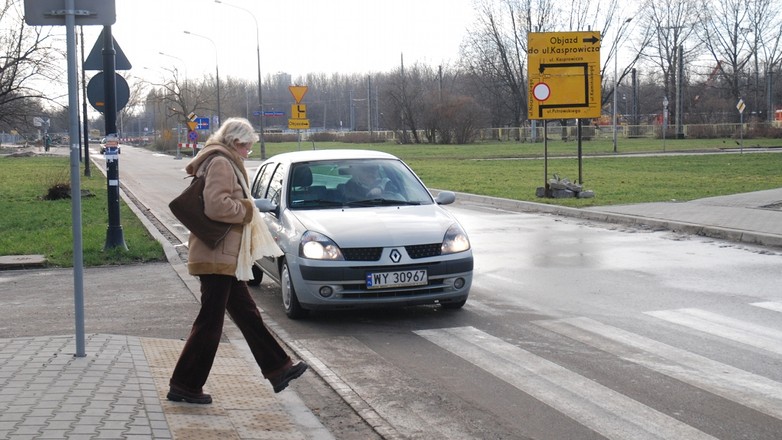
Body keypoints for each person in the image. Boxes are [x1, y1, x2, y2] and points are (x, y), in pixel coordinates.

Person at [168, 117, 307, 404]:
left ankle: (279, 369)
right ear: (236, 142)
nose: (248, 153)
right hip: (217, 255)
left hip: (224, 255)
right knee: (210, 323)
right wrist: (249, 208)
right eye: (247, 148)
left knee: (247, 314)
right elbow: (216, 205)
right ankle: (185, 385)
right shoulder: (221, 162)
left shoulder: (223, 159)